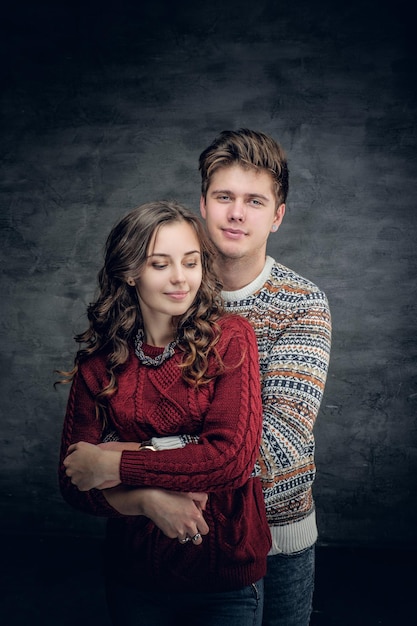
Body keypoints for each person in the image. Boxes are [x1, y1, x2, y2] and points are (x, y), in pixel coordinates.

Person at [110, 129, 332, 626]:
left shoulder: (301, 303)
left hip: (278, 537)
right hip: (160, 531)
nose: (237, 213)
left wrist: (133, 462)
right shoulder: (167, 289)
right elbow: (121, 412)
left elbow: (278, 442)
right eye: (224, 197)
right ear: (203, 205)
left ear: (277, 216)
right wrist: (149, 489)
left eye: (255, 201)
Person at [58, 200, 272, 626]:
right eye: (160, 264)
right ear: (130, 272)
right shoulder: (99, 363)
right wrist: (147, 501)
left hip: (224, 578)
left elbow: (230, 460)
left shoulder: (229, 338)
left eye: (191, 263)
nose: (180, 278)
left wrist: (117, 462)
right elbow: (76, 478)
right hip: (134, 578)